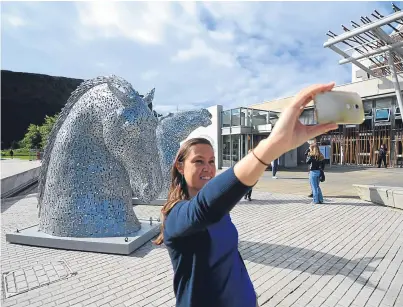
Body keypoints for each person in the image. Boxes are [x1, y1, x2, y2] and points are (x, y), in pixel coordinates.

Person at [153, 83, 338, 307]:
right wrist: (272, 146)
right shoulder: (175, 215)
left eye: (211, 161)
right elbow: (204, 208)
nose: (208, 168)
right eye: (198, 161)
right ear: (180, 167)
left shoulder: (220, 210)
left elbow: (230, 259)